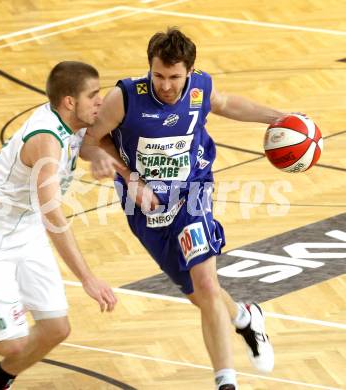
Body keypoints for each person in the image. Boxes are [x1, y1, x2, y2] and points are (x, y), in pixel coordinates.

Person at [86, 28, 286, 390]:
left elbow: (226, 104)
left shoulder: (199, 90)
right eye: (158, 75)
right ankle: (245, 317)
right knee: (197, 294)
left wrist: (279, 116)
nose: (165, 85)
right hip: (145, 208)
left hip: (193, 193)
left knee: (206, 282)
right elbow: (90, 140)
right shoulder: (125, 97)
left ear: (190, 72)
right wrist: (128, 176)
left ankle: (226, 383)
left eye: (174, 77)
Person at [0, 61, 117, 390]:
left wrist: (98, 156)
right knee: (13, 342)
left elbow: (86, 144)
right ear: (69, 101)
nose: (100, 101)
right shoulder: (46, 141)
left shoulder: (74, 120)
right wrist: (87, 278)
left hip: (23, 226)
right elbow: (52, 215)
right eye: (94, 95)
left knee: (56, 329)